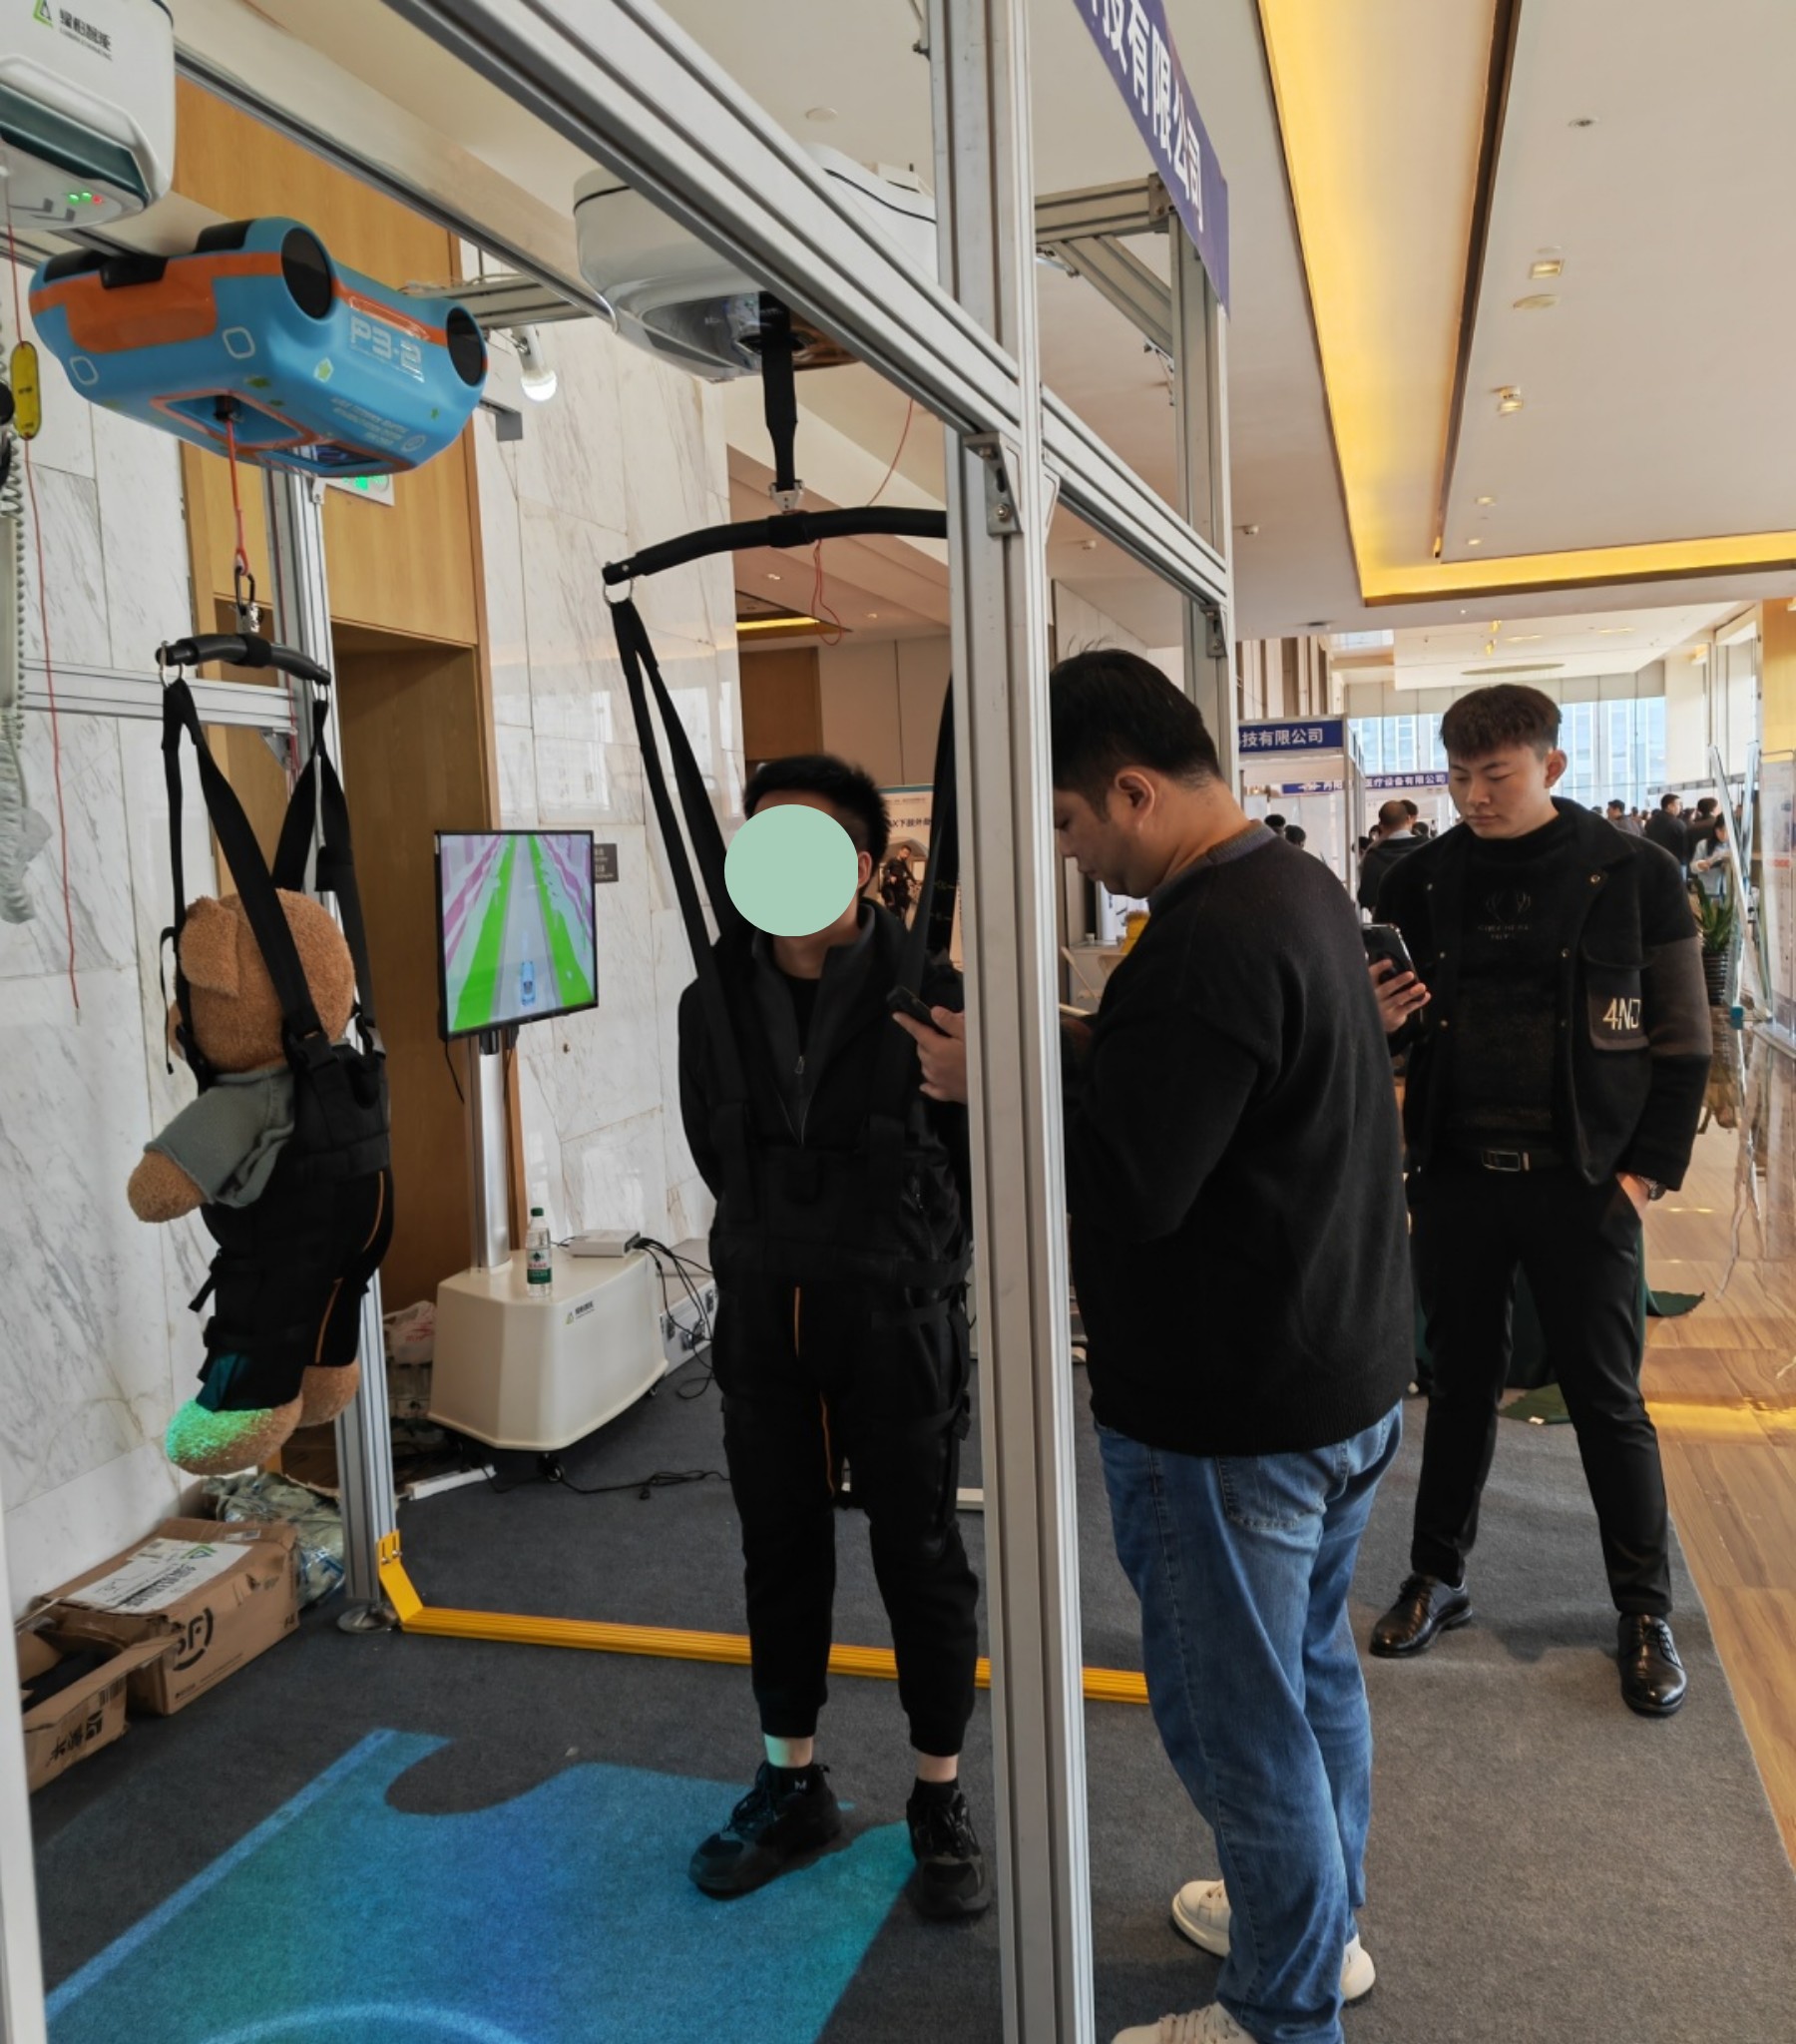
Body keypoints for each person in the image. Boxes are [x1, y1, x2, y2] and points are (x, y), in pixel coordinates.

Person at [897, 651, 1411, 2044]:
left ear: (1133, 788)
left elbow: (1133, 1180)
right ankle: (1316, 1932)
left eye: (1072, 821)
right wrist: (1064, 1038)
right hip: (1336, 1374)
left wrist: (989, 1086)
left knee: (1238, 1724)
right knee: (1307, 1679)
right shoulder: (1291, 886)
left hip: (1229, 1412)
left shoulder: (1200, 941)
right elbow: (1197, 1081)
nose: (1075, 854)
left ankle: (1280, 2013)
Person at [676, 754, 989, 1918]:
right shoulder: (712, 1000)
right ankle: (791, 1779)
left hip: (897, 1316)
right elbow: (715, 1150)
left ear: (862, 867)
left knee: (920, 1553)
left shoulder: (937, 993)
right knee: (780, 1546)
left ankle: (938, 1792)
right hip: (766, 1316)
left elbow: (975, 1169)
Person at [1366, 685, 1711, 1717]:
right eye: (1458, 777)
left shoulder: (1636, 874)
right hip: (1458, 1176)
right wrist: (1381, 1022)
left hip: (1585, 1182)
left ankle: (1643, 1610)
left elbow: (1683, 1039)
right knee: (1458, 1384)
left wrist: (1642, 1178)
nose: (1474, 795)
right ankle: (1437, 1573)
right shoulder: (1419, 878)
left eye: (1496, 775)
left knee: (1607, 1398)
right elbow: (1386, 1040)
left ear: (1551, 767)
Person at [1355, 797, 1422, 913]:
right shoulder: (1430, 848)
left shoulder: (1372, 858)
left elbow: (1366, 897)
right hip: (1424, 920)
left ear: (1381, 825)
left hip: (1387, 921)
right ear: (1408, 819)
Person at [1644, 791, 1689, 869]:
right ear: (1670, 806)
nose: (1680, 808)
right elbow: (1685, 844)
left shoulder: (1651, 821)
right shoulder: (1677, 823)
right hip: (1674, 863)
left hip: (1654, 861)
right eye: (1679, 804)